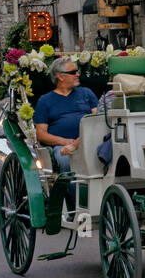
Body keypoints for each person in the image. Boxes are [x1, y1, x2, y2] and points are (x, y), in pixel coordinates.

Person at [34, 58, 99, 207]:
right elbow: (41, 134)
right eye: (73, 72)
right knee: (65, 159)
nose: (77, 74)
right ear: (60, 76)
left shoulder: (86, 93)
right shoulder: (45, 101)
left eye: (77, 71)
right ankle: (75, 205)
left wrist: (77, 142)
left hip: (90, 140)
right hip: (62, 146)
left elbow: (97, 119)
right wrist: (65, 142)